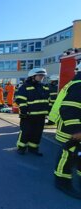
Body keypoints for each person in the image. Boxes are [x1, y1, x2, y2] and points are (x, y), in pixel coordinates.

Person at [49, 63, 81, 199]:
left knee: (78, 155)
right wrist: (76, 130)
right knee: (68, 155)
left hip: (75, 128)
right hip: (72, 129)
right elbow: (68, 109)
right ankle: (62, 181)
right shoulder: (79, 84)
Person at [15, 68, 50, 156]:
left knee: (37, 133)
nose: (42, 77)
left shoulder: (44, 86)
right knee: (26, 132)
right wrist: (24, 111)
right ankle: (21, 147)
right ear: (33, 76)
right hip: (28, 115)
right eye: (40, 75)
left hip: (41, 115)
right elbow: (20, 99)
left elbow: (48, 100)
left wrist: (48, 111)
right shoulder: (25, 86)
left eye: (43, 75)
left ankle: (33, 148)